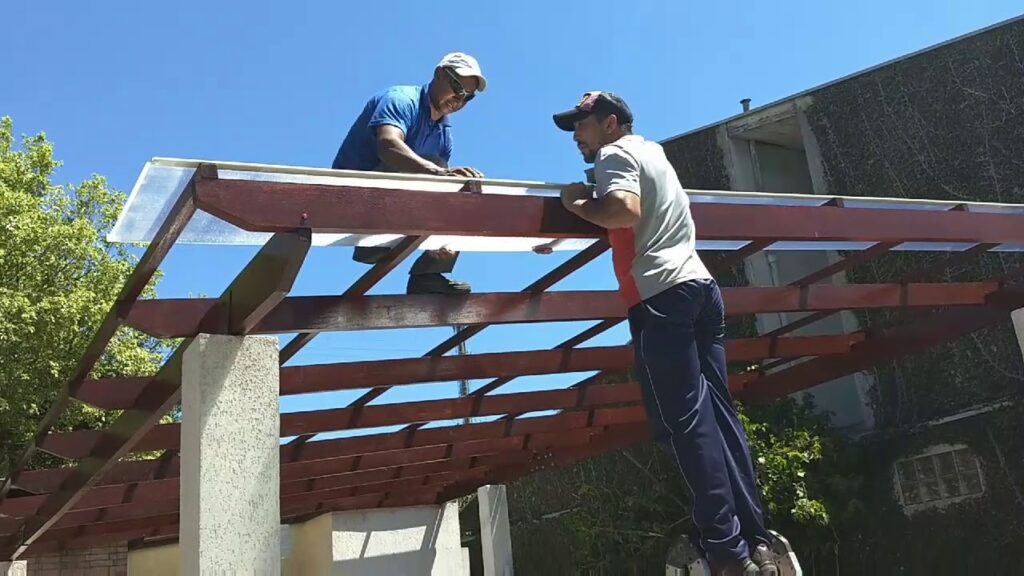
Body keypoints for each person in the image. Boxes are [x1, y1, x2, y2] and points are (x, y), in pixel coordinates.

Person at [549, 91, 786, 576]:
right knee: (721, 418)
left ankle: (725, 551)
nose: (576, 136)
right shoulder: (653, 152)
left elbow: (623, 210)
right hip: (700, 287)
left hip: (660, 299)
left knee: (686, 426)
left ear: (610, 123)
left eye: (583, 125)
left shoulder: (615, 154)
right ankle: (757, 541)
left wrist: (574, 203)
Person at [332, 52, 486, 295]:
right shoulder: (402, 100)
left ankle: (428, 276)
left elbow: (441, 189)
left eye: (468, 97)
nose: (459, 99)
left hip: (394, 202)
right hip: (351, 197)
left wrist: (443, 237)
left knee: (460, 189)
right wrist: (437, 173)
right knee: (436, 172)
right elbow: (388, 145)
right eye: (457, 87)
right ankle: (375, 241)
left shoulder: (443, 135)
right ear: (439, 75)